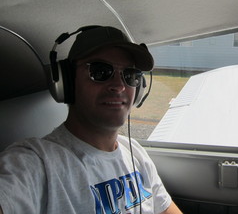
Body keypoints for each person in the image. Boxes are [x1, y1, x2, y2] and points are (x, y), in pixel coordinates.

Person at [0, 26, 182, 214]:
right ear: (67, 81)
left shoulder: (135, 153)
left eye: (129, 75)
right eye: (100, 71)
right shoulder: (36, 162)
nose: (119, 86)